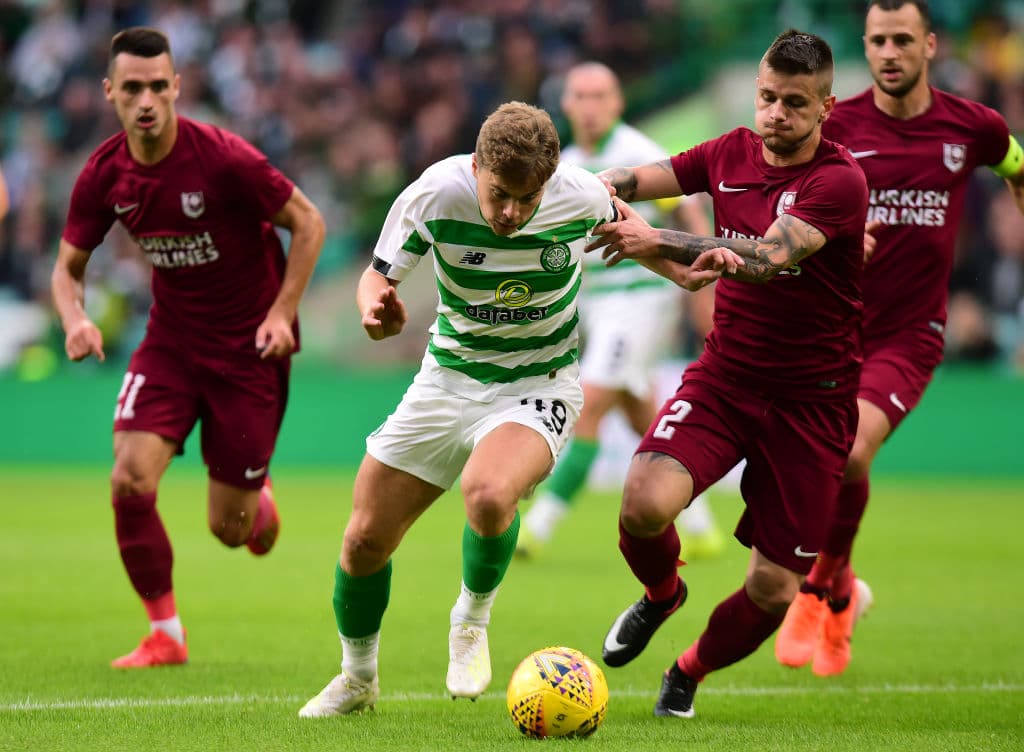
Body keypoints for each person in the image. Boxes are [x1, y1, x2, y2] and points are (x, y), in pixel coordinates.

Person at [296, 101, 730, 718]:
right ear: (476, 167)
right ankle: (358, 679)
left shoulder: (579, 194)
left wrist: (679, 273)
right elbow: (377, 276)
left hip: (538, 385)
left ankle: (470, 623)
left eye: (527, 200)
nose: (510, 213)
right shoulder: (434, 195)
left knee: (489, 493)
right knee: (365, 538)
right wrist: (376, 309)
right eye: (499, 194)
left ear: (548, 185)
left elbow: (633, 231)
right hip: (446, 381)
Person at [589, 30, 869, 718]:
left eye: (796, 103)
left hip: (814, 403)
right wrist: (589, 188)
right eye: (769, 97)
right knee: (642, 504)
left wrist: (658, 239)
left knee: (773, 590)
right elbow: (643, 178)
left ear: (827, 106)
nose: (777, 113)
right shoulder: (728, 153)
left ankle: (688, 670)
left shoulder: (839, 181)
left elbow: (770, 255)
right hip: (725, 380)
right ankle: (662, 596)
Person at [50, 27, 326, 668]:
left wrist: (283, 312)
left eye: (157, 86)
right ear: (110, 92)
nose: (145, 100)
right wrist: (74, 320)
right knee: (128, 479)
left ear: (176, 87)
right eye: (132, 88)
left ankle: (257, 502)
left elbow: (308, 222)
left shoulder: (225, 159)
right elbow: (68, 268)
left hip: (249, 353)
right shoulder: (104, 173)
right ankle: (165, 634)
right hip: (170, 344)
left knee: (232, 533)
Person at [774, 0, 1024, 677]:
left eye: (902, 40)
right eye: (878, 40)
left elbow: (1017, 167)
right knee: (823, 465)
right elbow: (784, 198)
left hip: (911, 333)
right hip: (828, 328)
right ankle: (846, 590)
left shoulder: (973, 126)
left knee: (851, 450)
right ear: (865, 45)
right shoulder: (839, 124)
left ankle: (820, 588)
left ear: (929, 45)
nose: (889, 52)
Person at [517, 61, 723, 561]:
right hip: (598, 306)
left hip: (643, 300)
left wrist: (701, 292)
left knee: (588, 405)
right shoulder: (568, 163)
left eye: (599, 96)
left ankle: (535, 528)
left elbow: (688, 211)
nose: (590, 107)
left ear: (617, 102)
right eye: (580, 96)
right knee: (640, 418)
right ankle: (702, 527)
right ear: (565, 105)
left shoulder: (636, 152)